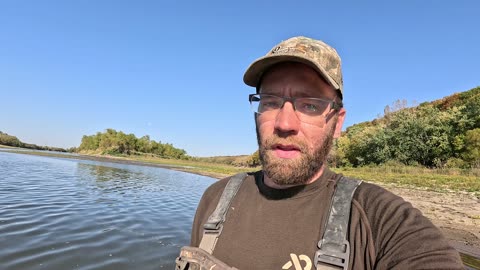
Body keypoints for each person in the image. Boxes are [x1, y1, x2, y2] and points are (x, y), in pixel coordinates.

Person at [177, 36, 463, 270]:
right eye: (271, 102)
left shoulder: (379, 218)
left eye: (310, 105)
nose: (284, 124)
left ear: (337, 122)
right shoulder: (216, 199)